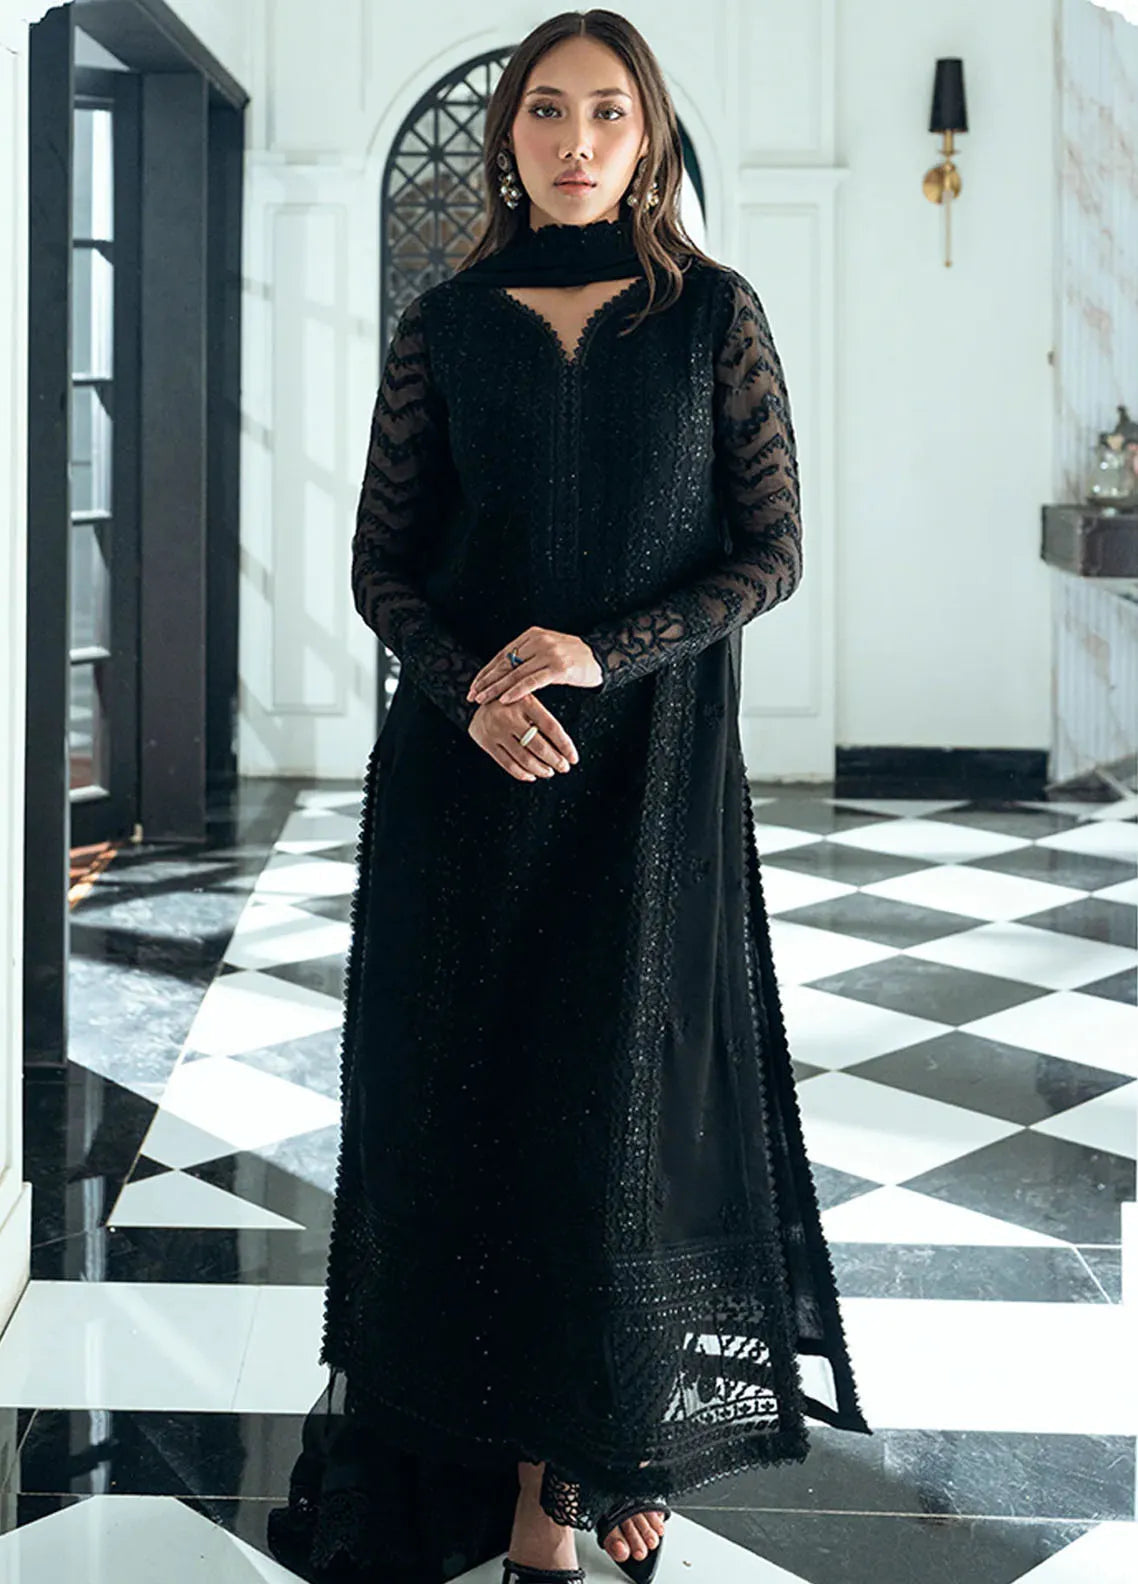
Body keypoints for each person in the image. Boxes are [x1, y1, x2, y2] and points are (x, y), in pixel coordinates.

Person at [268, 9, 871, 1584]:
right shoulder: (446, 323)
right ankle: (490, 1456)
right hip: (463, 781)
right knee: (460, 1113)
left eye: (607, 110)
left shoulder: (710, 315)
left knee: (606, 1122)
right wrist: (472, 690)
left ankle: (579, 1468)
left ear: (647, 135)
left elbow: (770, 552)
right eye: (547, 109)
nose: (576, 138)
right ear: (509, 137)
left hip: (642, 790)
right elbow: (381, 562)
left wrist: (603, 653)